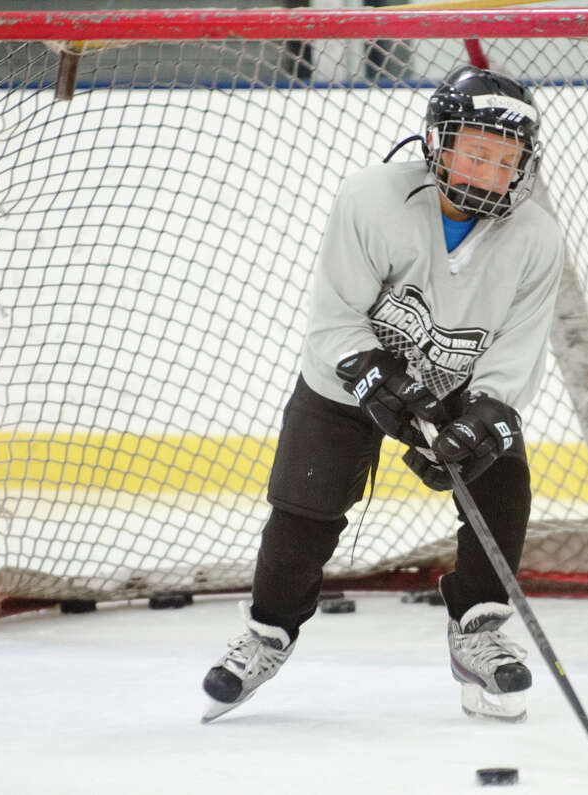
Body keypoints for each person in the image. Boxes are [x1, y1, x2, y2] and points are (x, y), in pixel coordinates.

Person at [201, 65, 564, 725]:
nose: (490, 168)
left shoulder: (537, 238)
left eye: (506, 156)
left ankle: (478, 628)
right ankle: (268, 631)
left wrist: (482, 419)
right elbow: (336, 319)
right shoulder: (371, 198)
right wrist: (370, 375)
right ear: (437, 141)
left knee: (502, 478)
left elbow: (515, 355)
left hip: (455, 385)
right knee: (306, 508)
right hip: (346, 377)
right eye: (476, 149)